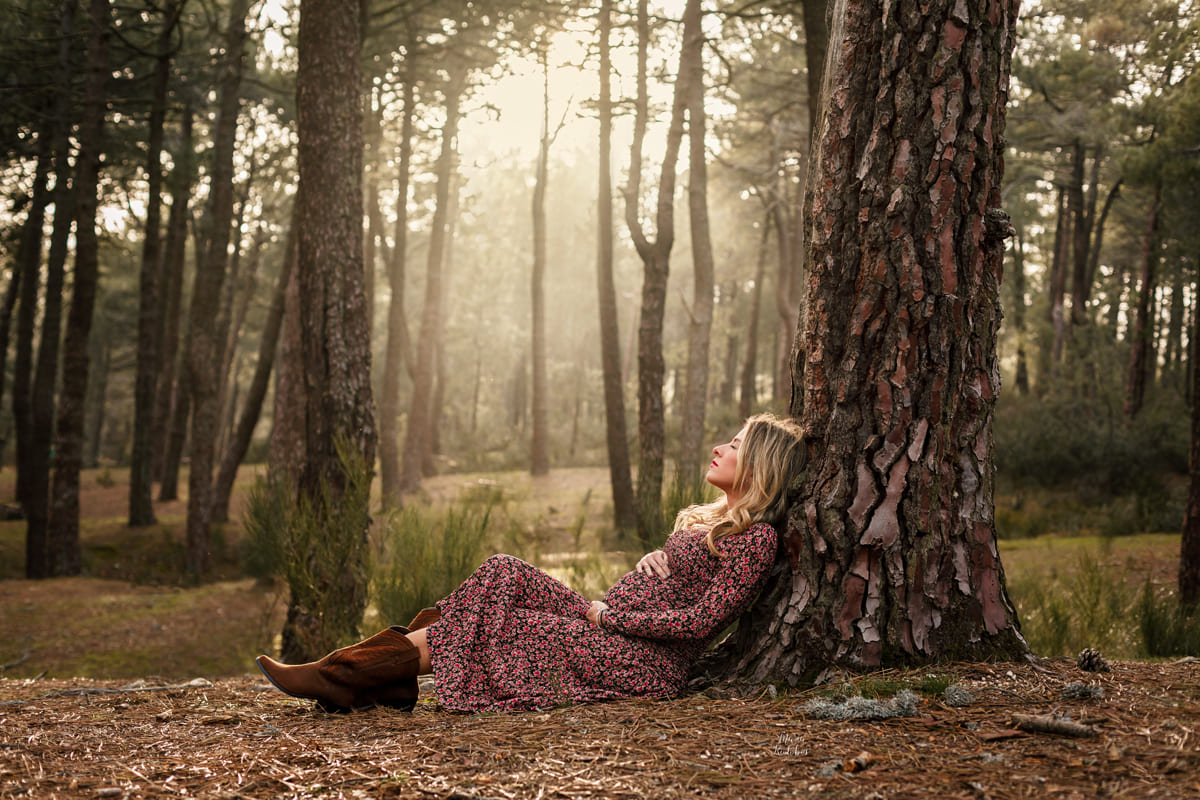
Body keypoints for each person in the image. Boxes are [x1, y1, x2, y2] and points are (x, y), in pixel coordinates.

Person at [256, 412, 805, 713]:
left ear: (759, 465)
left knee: (514, 625)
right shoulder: (710, 522)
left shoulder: (755, 542)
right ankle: (357, 675)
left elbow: (699, 622)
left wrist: (606, 617)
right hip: (609, 629)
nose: (719, 448)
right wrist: (654, 555)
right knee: (502, 572)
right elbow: (678, 582)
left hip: (642, 659)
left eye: (734, 445)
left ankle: (343, 673)